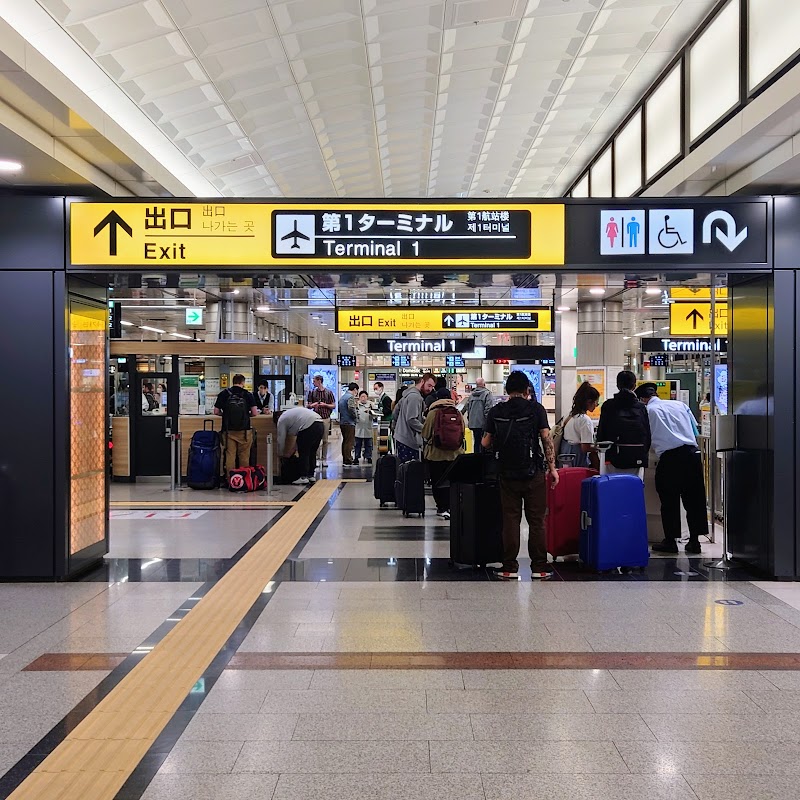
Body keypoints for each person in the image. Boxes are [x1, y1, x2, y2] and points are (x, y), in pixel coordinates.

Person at [482, 371, 559, 580]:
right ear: (527, 390)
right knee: (536, 521)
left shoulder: (497, 410)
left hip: (507, 474)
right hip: (533, 473)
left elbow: (485, 443)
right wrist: (552, 468)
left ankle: (509, 567)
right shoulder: (536, 409)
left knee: (510, 520)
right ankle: (539, 568)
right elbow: (546, 439)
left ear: (507, 390)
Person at [634, 382, 708, 555]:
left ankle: (671, 541)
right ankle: (695, 541)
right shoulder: (680, 405)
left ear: (643, 399)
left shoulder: (648, 411)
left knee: (669, 501)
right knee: (694, 499)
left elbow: (646, 437)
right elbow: (694, 430)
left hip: (670, 458)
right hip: (692, 454)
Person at [596, 371, 651, 475]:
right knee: (634, 488)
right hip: (637, 458)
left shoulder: (608, 405)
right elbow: (647, 434)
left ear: (617, 385)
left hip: (614, 458)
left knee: (613, 487)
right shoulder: (640, 407)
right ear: (634, 386)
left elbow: (601, 432)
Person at [421, 391, 465, 519]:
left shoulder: (433, 412)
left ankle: (442, 507)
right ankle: (452, 506)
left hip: (436, 454)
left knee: (437, 481)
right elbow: (462, 431)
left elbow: (425, 433)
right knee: (452, 481)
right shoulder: (457, 412)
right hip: (455, 454)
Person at [213, 374, 259, 481]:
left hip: (228, 431)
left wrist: (224, 415)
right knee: (243, 456)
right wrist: (247, 415)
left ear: (232, 381)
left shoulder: (224, 394)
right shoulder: (248, 395)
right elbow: (255, 413)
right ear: (243, 383)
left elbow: (215, 411)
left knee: (230, 455)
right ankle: (244, 480)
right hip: (244, 431)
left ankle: (231, 480)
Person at [393, 373, 436, 463]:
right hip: (409, 441)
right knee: (411, 471)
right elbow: (411, 419)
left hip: (401, 438)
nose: (430, 389)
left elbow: (395, 412)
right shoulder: (415, 397)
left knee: (403, 469)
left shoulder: (407, 395)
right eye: (429, 385)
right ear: (422, 381)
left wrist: (400, 426)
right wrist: (425, 430)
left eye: (432, 387)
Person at [277, 405, 324, 485]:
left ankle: (303, 477)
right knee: (312, 451)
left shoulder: (281, 420)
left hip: (308, 426)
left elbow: (280, 438)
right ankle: (311, 475)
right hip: (320, 423)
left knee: (304, 452)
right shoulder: (290, 414)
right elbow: (298, 441)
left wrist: (280, 454)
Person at [559, 382, 600, 470]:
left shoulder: (569, 415)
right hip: (577, 459)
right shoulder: (585, 420)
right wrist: (598, 448)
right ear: (589, 402)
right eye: (596, 402)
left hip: (565, 457)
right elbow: (585, 447)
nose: (597, 405)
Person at [307, 374, 336, 467]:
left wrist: (325, 405)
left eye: (314, 381)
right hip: (315, 418)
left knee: (325, 440)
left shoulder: (328, 392)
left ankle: (324, 459)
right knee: (315, 440)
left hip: (325, 418)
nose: (313, 383)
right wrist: (313, 405)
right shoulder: (312, 392)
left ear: (319, 381)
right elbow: (308, 405)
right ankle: (316, 458)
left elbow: (333, 405)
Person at [465, 378, 493, 454]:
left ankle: (476, 460)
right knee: (484, 443)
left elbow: (468, 408)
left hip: (474, 424)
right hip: (484, 424)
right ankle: (483, 462)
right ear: (484, 384)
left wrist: (469, 419)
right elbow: (489, 409)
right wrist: (489, 422)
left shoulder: (471, 395)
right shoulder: (487, 394)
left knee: (476, 442)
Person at [338, 382, 359, 467]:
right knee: (349, 442)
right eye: (356, 390)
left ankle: (345, 459)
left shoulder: (342, 397)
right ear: (354, 390)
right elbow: (351, 408)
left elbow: (339, 409)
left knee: (345, 441)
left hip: (343, 421)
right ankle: (348, 460)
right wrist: (355, 417)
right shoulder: (350, 397)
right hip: (349, 422)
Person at [354, 390, 374, 463]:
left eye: (364, 396)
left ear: (367, 397)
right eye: (361, 396)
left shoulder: (371, 405)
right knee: (357, 444)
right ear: (359, 398)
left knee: (368, 444)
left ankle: (368, 457)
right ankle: (356, 457)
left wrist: (371, 412)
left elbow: (375, 414)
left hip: (368, 426)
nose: (363, 398)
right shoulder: (356, 405)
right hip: (359, 427)